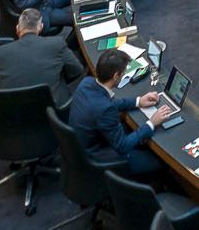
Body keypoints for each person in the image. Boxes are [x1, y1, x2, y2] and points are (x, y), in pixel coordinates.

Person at [67, 46, 175, 176]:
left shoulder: (87, 82)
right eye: (124, 72)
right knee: (160, 162)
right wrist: (151, 123)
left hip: (83, 145)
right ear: (116, 76)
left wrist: (138, 101)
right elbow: (122, 146)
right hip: (98, 158)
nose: (125, 75)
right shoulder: (105, 110)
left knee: (136, 136)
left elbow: (109, 104)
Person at [0, 9, 83, 106]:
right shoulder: (57, 43)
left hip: (11, 117)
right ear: (41, 27)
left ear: (17, 28)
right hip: (54, 112)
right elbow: (77, 70)